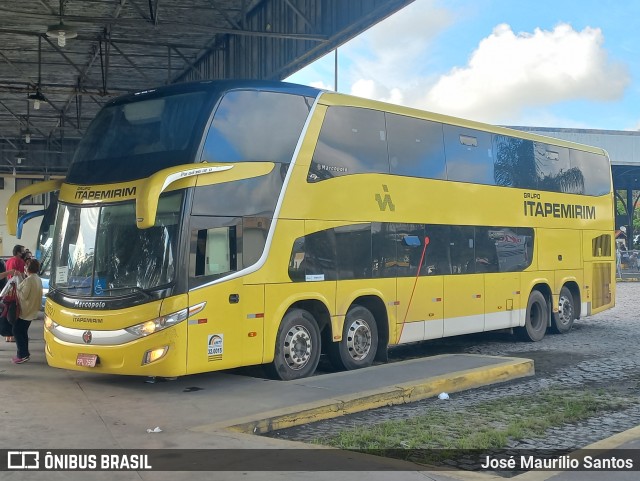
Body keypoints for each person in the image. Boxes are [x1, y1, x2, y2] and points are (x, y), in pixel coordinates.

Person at [12, 258, 43, 364]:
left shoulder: (29, 280)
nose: (24, 268)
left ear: (28, 268)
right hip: (32, 310)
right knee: (22, 331)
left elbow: (23, 295)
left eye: (25, 266)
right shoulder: (37, 278)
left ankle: (23, 355)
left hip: (26, 310)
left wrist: (17, 289)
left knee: (16, 330)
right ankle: (24, 354)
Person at [4, 245, 26, 342]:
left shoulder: (8, 261)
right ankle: (13, 335)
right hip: (17, 290)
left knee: (8, 311)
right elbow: (21, 276)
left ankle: (7, 335)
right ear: (18, 252)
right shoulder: (20, 261)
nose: (24, 252)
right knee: (15, 313)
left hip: (8, 289)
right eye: (22, 251)